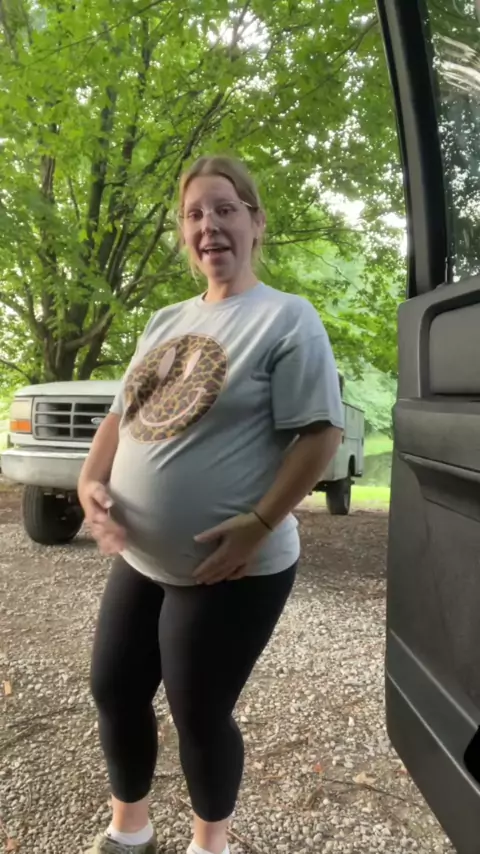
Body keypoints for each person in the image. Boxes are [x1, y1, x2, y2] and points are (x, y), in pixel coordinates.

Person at [79, 154, 344, 854]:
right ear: (183, 233)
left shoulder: (286, 317)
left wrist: (259, 523)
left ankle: (210, 846)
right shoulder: (166, 319)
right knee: (114, 688)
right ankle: (130, 832)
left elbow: (321, 434)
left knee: (198, 711)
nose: (209, 225)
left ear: (256, 222)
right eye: (194, 214)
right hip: (140, 557)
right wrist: (89, 481)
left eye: (225, 209)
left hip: (231, 565)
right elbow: (119, 417)